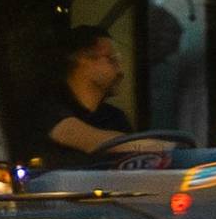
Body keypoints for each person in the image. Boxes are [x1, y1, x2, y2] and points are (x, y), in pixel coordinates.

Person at [38, 26, 166, 163]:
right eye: (112, 60)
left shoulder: (114, 117)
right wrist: (167, 148)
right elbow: (92, 140)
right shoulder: (48, 108)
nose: (120, 72)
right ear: (82, 59)